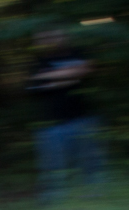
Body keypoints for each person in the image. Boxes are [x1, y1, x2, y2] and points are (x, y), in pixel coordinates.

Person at [28, 28, 102, 200]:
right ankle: (54, 206)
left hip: (85, 119)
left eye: (58, 35)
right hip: (53, 125)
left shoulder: (79, 52)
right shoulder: (39, 60)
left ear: (65, 37)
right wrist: (71, 76)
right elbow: (35, 84)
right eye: (48, 37)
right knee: (53, 171)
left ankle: (95, 200)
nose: (54, 40)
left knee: (91, 166)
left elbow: (86, 70)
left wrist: (51, 77)